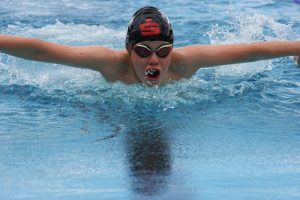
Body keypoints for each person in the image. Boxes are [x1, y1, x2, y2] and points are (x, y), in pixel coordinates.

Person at [0, 6, 299, 86]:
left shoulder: (187, 62)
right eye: (143, 51)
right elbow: (42, 50)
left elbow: (253, 50)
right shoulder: (110, 64)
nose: (154, 60)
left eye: (162, 51)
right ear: (129, 50)